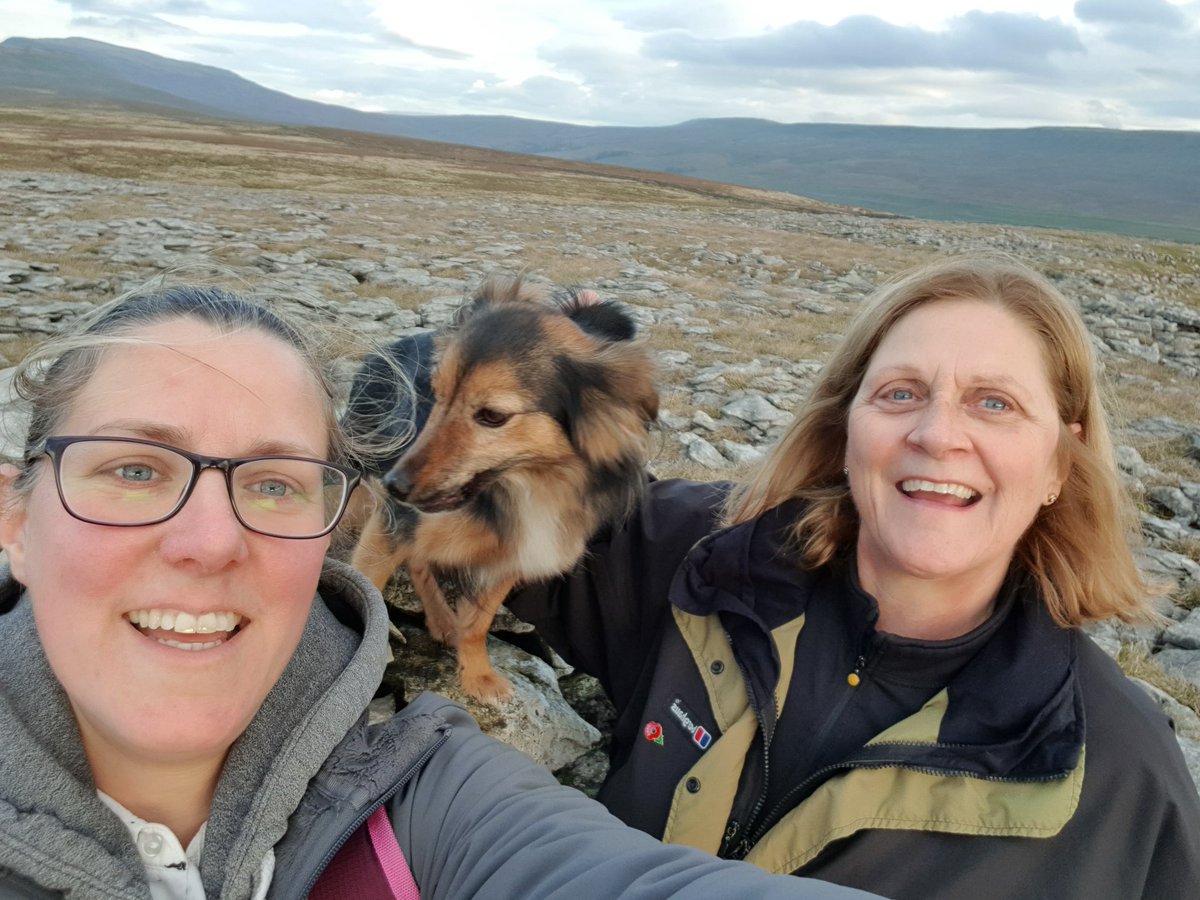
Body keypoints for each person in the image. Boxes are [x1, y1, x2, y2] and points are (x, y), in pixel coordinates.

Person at [0, 283, 882, 900]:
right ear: (14, 521)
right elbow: (401, 517)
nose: (206, 543)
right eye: (132, 468)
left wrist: (469, 637)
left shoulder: (425, 790)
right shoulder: (408, 489)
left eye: (271, 482)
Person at [507, 255, 1200, 899]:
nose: (937, 434)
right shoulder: (704, 559)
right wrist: (518, 362)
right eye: (900, 393)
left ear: (1059, 461)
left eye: (995, 403)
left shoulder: (1117, 777)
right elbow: (480, 485)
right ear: (846, 428)